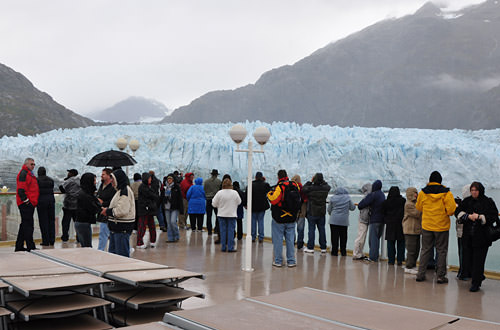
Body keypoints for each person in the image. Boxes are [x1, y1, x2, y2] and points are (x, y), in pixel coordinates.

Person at [455, 182, 499, 292]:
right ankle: (476, 278)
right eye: (472, 190)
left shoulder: (488, 202)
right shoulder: (467, 201)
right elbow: (457, 212)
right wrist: (468, 216)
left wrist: (480, 217)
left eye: (476, 190)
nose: (474, 192)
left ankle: (476, 283)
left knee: (478, 261)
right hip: (468, 237)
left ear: (480, 190)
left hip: (482, 238)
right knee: (469, 260)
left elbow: (493, 216)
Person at [415, 171, 456, 284]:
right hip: (441, 227)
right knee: (441, 251)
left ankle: (420, 274)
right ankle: (440, 276)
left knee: (425, 250)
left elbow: (418, 207)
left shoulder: (423, 193)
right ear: (440, 181)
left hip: (427, 225)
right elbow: (452, 210)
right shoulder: (446, 193)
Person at [267, 169, 300, 267]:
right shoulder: (294, 185)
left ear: (278, 177)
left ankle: (278, 261)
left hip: (279, 218)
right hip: (291, 218)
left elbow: (274, 200)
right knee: (290, 240)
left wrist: (269, 193)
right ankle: (291, 261)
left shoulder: (280, 187)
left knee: (278, 240)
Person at [101, 169, 135, 257]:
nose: (111, 181)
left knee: (121, 255)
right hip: (116, 228)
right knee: (114, 255)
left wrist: (107, 211)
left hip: (121, 228)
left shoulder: (124, 192)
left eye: (113, 179)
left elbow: (122, 210)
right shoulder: (120, 191)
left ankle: (122, 270)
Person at [302, 173, 331, 254]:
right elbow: (328, 186)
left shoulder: (311, 188)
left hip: (312, 212)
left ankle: (310, 247)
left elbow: (303, 189)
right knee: (322, 229)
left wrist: (310, 182)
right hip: (321, 212)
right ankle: (323, 248)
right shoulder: (325, 189)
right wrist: (322, 181)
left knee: (311, 230)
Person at [358, 180, 386, 262]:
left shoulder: (374, 194)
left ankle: (373, 257)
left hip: (375, 219)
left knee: (373, 239)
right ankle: (376, 256)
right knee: (377, 238)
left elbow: (361, 204)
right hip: (382, 220)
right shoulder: (382, 194)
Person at [15, 158, 39, 252]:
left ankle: (19, 246)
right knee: (29, 225)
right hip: (25, 204)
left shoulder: (29, 173)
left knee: (24, 224)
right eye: (31, 164)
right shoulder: (24, 173)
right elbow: (21, 189)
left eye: (34, 164)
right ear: (26, 164)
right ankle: (30, 246)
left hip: (29, 203)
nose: (33, 166)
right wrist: (27, 201)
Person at [212, 178, 241, 252]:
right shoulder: (234, 193)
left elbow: (214, 203)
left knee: (223, 231)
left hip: (221, 214)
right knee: (231, 231)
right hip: (232, 214)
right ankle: (230, 247)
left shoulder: (219, 193)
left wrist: (220, 206)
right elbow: (239, 202)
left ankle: (223, 247)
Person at [327, 187, 355, 256]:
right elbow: (352, 207)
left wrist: (332, 214)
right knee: (343, 237)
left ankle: (334, 252)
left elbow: (329, 209)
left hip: (333, 220)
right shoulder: (348, 198)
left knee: (334, 237)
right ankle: (343, 252)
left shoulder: (333, 198)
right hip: (344, 221)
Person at [382, 186, 406, 265]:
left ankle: (391, 260)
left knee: (390, 243)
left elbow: (383, 213)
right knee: (401, 242)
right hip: (400, 224)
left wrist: (386, 220)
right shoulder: (403, 201)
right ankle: (400, 260)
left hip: (390, 224)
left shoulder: (386, 202)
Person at [76, 173, 101, 248]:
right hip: (83, 223)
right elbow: (93, 208)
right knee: (87, 247)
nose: (95, 182)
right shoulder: (85, 195)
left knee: (85, 246)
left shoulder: (85, 192)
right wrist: (100, 206)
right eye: (94, 180)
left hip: (82, 222)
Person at [246, 171, 271, 243]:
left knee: (253, 221)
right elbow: (269, 192)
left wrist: (245, 204)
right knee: (261, 221)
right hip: (262, 206)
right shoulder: (265, 184)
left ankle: (253, 237)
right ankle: (261, 237)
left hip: (253, 206)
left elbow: (247, 195)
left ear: (255, 177)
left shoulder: (250, 185)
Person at [402, 187, 422, 274]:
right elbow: (417, 213)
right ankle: (408, 266)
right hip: (410, 230)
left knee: (416, 249)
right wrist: (422, 205)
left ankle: (413, 265)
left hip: (416, 230)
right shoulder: (408, 204)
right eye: (415, 193)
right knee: (411, 250)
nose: (416, 195)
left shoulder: (415, 203)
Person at [137, 172, 159, 248]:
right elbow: (152, 196)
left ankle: (152, 240)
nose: (150, 179)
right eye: (149, 178)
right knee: (142, 226)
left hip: (149, 209)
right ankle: (139, 242)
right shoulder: (143, 187)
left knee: (152, 226)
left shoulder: (149, 186)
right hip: (144, 209)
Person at [59, 169, 80, 242]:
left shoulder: (68, 181)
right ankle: (79, 238)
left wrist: (65, 181)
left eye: (69, 172)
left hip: (68, 204)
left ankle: (65, 238)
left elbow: (61, 188)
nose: (68, 173)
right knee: (77, 222)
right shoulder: (79, 181)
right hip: (77, 204)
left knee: (65, 223)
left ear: (72, 174)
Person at [455, 184, 471, 280]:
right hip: (465, 232)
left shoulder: (462, 204)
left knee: (462, 252)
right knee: (466, 252)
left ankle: (462, 272)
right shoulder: (466, 204)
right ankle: (466, 272)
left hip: (461, 232)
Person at [36, 166, 55, 246]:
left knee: (43, 222)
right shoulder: (51, 180)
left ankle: (45, 241)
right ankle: (52, 240)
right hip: (51, 201)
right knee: (51, 221)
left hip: (41, 202)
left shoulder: (36, 180)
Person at [97, 168, 115, 251]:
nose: (101, 175)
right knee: (110, 234)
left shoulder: (113, 187)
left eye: (103, 174)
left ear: (109, 176)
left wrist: (103, 202)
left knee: (104, 233)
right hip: (102, 212)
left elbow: (113, 201)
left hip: (108, 212)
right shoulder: (102, 185)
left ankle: (100, 250)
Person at [353, 183, 371, 260]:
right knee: (361, 237)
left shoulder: (367, 196)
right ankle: (356, 253)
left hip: (364, 218)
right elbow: (360, 205)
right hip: (364, 219)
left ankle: (359, 252)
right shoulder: (368, 197)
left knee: (362, 236)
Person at [163, 173, 183, 242]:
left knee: (173, 222)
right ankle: (170, 238)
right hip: (167, 207)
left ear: (173, 180)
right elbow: (161, 197)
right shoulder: (165, 187)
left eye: (170, 179)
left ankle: (176, 235)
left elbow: (180, 198)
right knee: (168, 224)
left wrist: (181, 208)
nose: (169, 180)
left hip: (174, 207)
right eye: (168, 179)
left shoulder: (176, 187)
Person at [291, 175, 307, 251]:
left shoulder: (290, 188)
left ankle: (291, 243)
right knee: (300, 229)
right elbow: (305, 199)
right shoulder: (302, 188)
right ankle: (300, 245)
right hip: (301, 212)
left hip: (292, 211)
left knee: (291, 228)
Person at [204, 169, 221, 235]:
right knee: (218, 215)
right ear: (216, 174)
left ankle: (209, 230)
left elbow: (204, 190)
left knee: (209, 216)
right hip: (216, 200)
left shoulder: (206, 182)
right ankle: (216, 229)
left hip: (208, 199)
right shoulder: (219, 182)